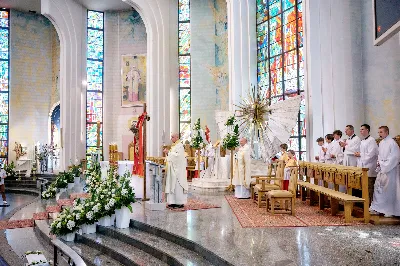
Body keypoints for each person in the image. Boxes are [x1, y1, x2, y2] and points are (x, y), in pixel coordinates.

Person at [370, 126, 400, 217]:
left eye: (381, 132)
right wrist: (379, 163)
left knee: (388, 190)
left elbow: (394, 158)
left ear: (386, 132)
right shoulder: (382, 143)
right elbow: (379, 155)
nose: (379, 134)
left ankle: (389, 210)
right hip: (382, 169)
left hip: (390, 170)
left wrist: (384, 165)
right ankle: (378, 208)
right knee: (379, 189)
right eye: (378, 132)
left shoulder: (392, 143)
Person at [354, 124, 378, 202]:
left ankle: (370, 204)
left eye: (362, 129)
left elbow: (371, 154)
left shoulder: (371, 140)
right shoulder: (363, 140)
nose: (360, 131)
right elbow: (362, 153)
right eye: (360, 130)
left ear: (367, 130)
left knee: (370, 187)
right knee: (364, 187)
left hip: (370, 167)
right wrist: (358, 154)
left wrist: (360, 154)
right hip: (363, 166)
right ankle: (365, 203)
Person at [164, 133, 188, 208]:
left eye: (172, 137)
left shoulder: (180, 146)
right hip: (173, 169)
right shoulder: (174, 145)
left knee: (177, 186)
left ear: (177, 137)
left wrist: (169, 153)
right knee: (172, 184)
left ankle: (179, 202)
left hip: (178, 171)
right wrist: (169, 153)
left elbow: (178, 157)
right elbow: (173, 155)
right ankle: (172, 201)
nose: (171, 138)